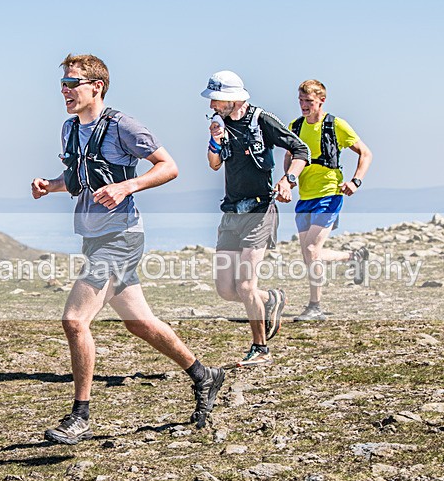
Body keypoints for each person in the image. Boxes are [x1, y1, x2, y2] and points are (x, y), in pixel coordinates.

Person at [32, 54, 225, 444]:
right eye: (63, 85)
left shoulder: (123, 126)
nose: (65, 92)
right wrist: (48, 185)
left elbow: (168, 166)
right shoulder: (69, 130)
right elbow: (79, 180)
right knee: (139, 323)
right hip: (93, 236)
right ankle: (204, 374)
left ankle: (80, 416)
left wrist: (127, 186)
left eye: (73, 84)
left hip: (122, 236)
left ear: (96, 86)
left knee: (74, 320)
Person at [202, 70, 310, 366]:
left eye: (217, 99)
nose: (212, 104)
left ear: (234, 98)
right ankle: (271, 299)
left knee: (246, 286)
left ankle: (260, 349)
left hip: (260, 211)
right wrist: (215, 140)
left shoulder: (262, 120)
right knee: (226, 289)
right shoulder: (219, 124)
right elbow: (214, 164)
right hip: (231, 212)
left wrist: (288, 180)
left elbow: (301, 149)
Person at [285, 79, 373, 321]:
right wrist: (288, 182)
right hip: (305, 196)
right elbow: (290, 156)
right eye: (301, 100)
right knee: (310, 254)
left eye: (309, 101)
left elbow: (366, 153)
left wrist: (355, 181)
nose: (304, 105)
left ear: (321, 100)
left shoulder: (336, 125)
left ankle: (315, 307)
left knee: (312, 249)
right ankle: (355, 257)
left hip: (330, 194)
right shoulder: (295, 126)